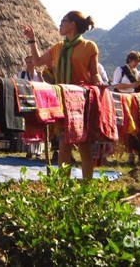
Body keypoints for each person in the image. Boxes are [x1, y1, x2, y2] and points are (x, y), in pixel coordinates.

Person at [23, 11, 102, 180]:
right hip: (63, 100)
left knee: (84, 146)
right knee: (64, 144)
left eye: (62, 22)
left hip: (82, 100)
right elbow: (37, 62)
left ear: (72, 24)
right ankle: (63, 187)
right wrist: (32, 40)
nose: (60, 25)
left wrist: (101, 85)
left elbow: (94, 73)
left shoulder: (89, 47)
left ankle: (87, 187)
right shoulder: (58, 48)